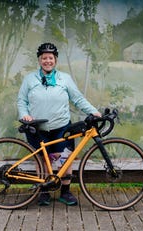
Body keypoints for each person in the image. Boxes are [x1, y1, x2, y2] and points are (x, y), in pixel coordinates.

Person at [17, 42, 101, 206]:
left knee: (66, 159)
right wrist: (24, 114)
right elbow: (22, 100)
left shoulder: (65, 79)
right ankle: (44, 192)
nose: (47, 61)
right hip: (37, 127)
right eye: (44, 58)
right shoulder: (29, 79)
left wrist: (94, 111)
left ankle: (65, 192)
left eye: (50, 58)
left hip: (61, 126)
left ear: (55, 60)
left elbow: (77, 99)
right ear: (39, 60)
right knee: (41, 159)